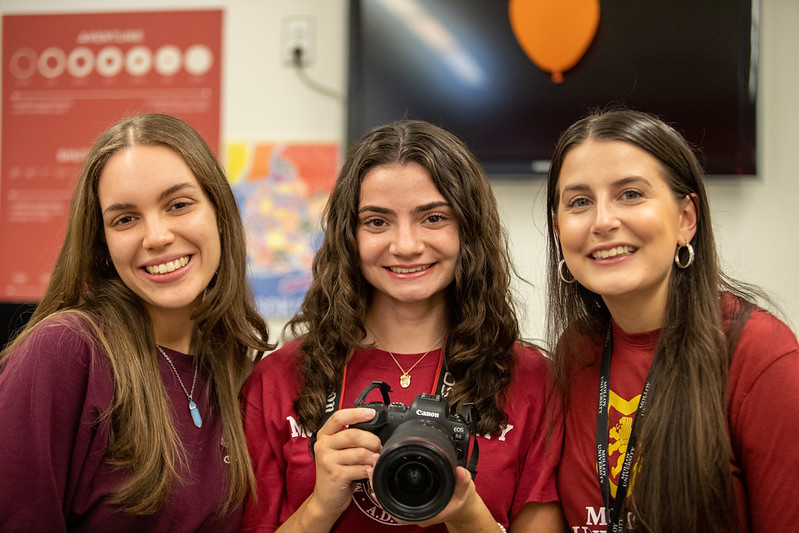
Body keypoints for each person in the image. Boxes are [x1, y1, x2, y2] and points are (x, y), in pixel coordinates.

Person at [241, 119, 564, 532]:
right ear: (348, 235)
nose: (406, 246)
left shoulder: (531, 379)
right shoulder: (278, 378)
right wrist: (321, 505)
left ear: (468, 229)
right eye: (377, 222)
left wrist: (467, 514)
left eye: (433, 218)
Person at [0, 113, 273, 531]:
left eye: (178, 205)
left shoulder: (233, 362)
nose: (157, 236)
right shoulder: (66, 350)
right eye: (125, 219)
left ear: (219, 213)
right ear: (103, 243)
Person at [544, 108, 799, 532]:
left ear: (686, 219)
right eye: (580, 202)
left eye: (630, 194)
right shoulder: (577, 349)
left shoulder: (760, 355)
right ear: (558, 229)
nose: (603, 221)